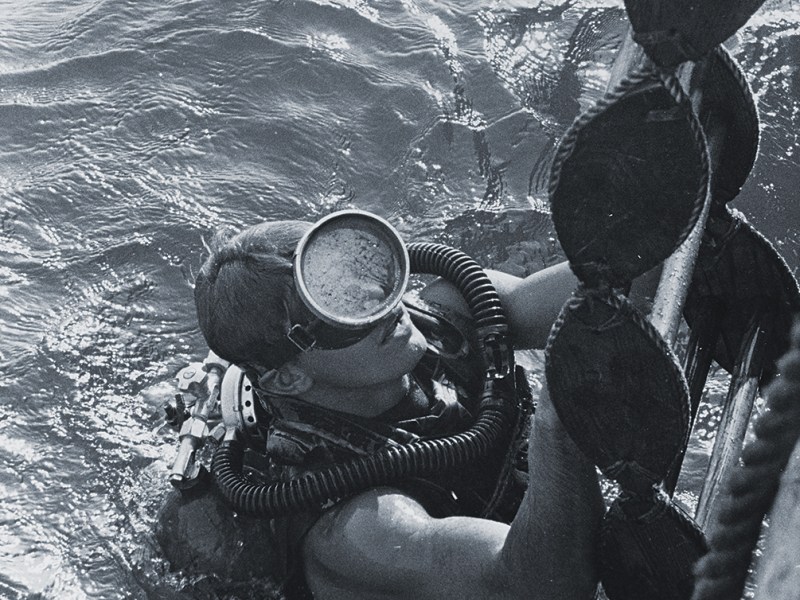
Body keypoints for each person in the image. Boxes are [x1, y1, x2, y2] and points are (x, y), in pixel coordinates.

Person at [165, 209, 622, 600]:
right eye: (338, 310)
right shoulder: (356, 525)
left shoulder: (452, 312)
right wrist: (561, 418)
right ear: (288, 377)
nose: (383, 306)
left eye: (356, 276)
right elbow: (541, 586)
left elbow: (611, 292)